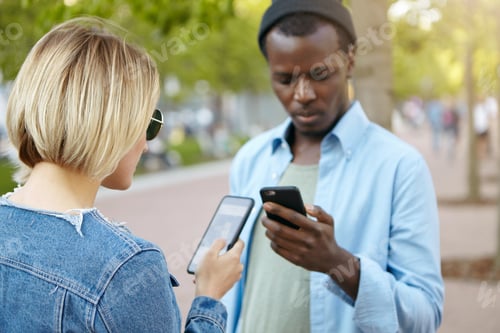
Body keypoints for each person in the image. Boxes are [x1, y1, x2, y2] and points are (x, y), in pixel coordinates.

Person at [0, 17, 244, 332]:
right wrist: (209, 297)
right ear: (115, 122)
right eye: (150, 121)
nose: (146, 142)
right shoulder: (124, 268)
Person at [221, 0, 444, 332]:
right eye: (284, 79)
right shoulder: (251, 158)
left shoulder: (400, 167)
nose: (303, 94)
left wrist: (338, 264)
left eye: (320, 74)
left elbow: (425, 314)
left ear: (350, 61)